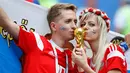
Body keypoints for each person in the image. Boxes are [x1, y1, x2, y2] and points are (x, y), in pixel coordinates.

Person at [0, 3, 78, 73]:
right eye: (68, 21)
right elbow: (7, 23)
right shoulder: (38, 42)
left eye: (75, 22)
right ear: (54, 26)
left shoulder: (71, 58)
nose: (74, 26)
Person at [72, 7, 127, 73]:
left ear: (102, 29)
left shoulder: (113, 51)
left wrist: (85, 66)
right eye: (82, 24)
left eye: (91, 24)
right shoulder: (88, 61)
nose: (85, 27)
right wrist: (80, 68)